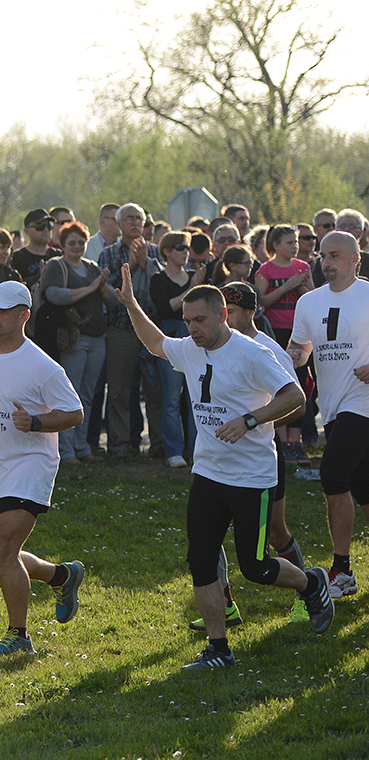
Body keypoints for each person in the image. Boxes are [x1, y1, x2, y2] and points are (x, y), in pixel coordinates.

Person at [116, 268, 332, 669]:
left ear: (222, 315)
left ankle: (311, 582)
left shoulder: (253, 353)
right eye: (188, 321)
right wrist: (131, 304)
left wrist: (251, 419)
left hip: (252, 477)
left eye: (200, 320)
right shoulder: (190, 348)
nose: (192, 329)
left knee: (256, 567)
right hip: (208, 474)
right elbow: (157, 343)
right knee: (200, 560)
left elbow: (294, 396)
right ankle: (219, 648)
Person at [0, 280, 85, 654]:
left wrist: (37, 423)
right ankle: (61, 575)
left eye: (2, 310)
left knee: (5, 550)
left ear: (24, 315)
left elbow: (75, 413)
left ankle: (19, 636)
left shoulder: (43, 365)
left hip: (30, 466)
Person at [186, 281, 314, 630]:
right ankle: (224, 604)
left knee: (275, 533)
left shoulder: (265, 350)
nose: (226, 318)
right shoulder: (205, 348)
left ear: (248, 312)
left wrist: (252, 423)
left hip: (260, 459)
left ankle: (306, 594)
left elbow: (296, 404)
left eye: (232, 311)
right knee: (207, 539)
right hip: (216, 464)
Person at [287, 231, 369, 599]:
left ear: (355, 259)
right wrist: (293, 356)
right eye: (323, 255)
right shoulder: (309, 302)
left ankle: (342, 570)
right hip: (333, 404)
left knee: (333, 474)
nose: (326, 262)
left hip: (363, 402)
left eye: (335, 255)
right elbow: (301, 346)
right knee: (364, 488)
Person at [37, 221, 112, 464]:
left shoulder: (92, 267)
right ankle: (66, 450)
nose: (77, 246)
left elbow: (112, 300)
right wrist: (91, 288)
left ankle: (83, 447)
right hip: (74, 339)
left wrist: (102, 287)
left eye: (81, 242)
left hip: (97, 338)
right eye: (72, 243)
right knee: (71, 395)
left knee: (88, 394)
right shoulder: (56, 265)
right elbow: (53, 295)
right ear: (62, 244)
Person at [99, 202, 164, 459]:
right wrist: (133, 266)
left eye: (139, 218)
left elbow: (162, 289)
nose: (135, 222)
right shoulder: (109, 254)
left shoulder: (156, 251)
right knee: (118, 390)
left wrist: (147, 263)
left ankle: (159, 444)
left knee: (155, 390)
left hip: (152, 329)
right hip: (121, 330)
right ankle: (120, 445)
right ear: (118, 224)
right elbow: (111, 294)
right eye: (129, 218)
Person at [255, 225, 314, 464]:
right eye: (289, 242)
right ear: (276, 245)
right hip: (275, 333)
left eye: (296, 242)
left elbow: (313, 298)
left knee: (301, 384)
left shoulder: (303, 267)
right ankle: (281, 440)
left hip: (299, 333)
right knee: (279, 386)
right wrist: (286, 287)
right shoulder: (266, 269)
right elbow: (261, 302)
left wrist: (301, 285)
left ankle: (296, 441)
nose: (295, 246)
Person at [150, 230, 206, 468]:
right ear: (166, 251)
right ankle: (173, 451)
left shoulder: (195, 275)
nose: (186, 252)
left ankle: (196, 450)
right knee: (172, 399)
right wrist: (191, 288)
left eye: (187, 247)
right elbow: (166, 308)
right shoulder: (158, 279)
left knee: (196, 398)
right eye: (180, 247)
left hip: (196, 341)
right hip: (171, 339)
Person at [11, 209, 62, 287]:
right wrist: (40, 277)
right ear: (26, 231)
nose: (46, 230)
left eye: (49, 226)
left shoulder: (59, 255)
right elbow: (17, 287)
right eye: (40, 226)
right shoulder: (17, 258)